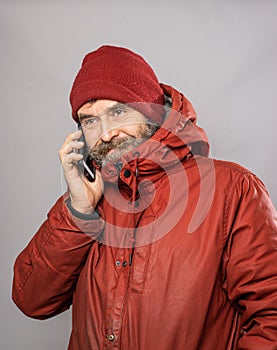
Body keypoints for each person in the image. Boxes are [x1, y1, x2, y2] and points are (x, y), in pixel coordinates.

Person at [12, 45, 277, 350]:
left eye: (118, 112)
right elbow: (32, 301)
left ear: (152, 110)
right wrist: (79, 212)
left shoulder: (232, 188)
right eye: (90, 120)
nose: (106, 133)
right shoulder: (87, 197)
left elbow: (271, 318)